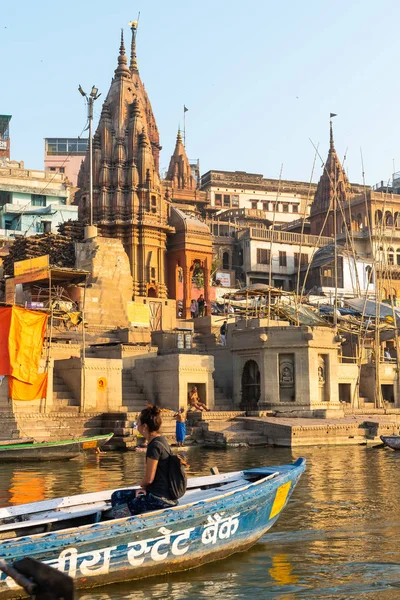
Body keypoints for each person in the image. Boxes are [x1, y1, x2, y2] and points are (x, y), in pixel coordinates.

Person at [110, 405, 178, 517]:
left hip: (159, 499)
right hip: (166, 494)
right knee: (124, 497)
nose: (137, 427)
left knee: (117, 497)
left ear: (144, 427)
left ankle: (121, 526)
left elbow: (149, 479)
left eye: (138, 424)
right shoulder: (162, 440)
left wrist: (141, 486)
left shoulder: (154, 446)